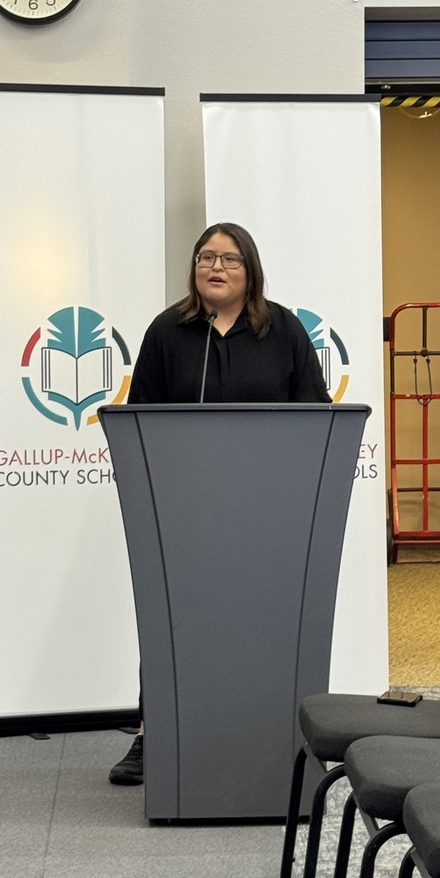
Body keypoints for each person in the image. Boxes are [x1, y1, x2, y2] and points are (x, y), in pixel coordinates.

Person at [109, 222, 330, 785]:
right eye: (206, 257)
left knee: (260, 625)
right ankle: (153, 733)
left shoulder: (283, 330)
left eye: (230, 259)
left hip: (269, 511)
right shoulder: (168, 331)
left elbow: (315, 414)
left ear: (250, 270)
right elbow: (141, 420)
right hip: (185, 513)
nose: (216, 267)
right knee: (173, 620)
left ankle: (263, 736)